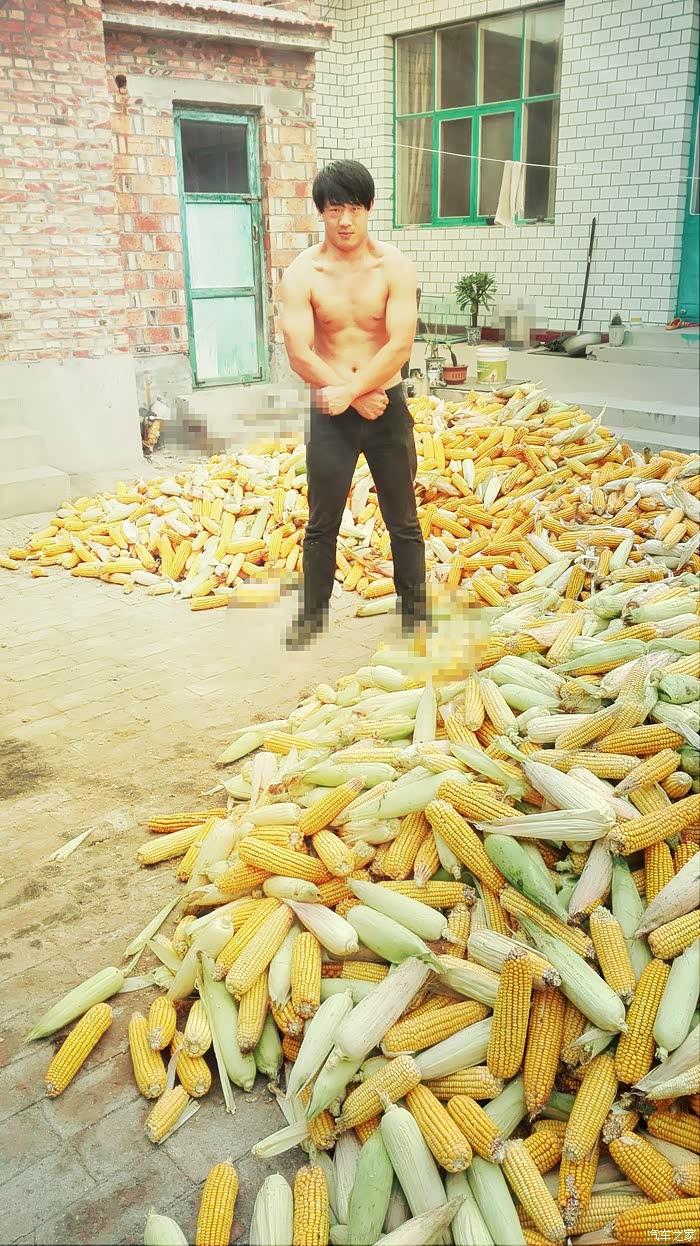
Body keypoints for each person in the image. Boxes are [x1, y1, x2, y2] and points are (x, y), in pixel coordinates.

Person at [279, 159, 426, 649]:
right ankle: (312, 616)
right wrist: (351, 395)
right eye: (334, 209)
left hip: (388, 410)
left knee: (403, 520)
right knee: (322, 523)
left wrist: (355, 392)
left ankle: (415, 615)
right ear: (321, 211)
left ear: (370, 209)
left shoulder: (395, 267)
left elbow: (400, 346)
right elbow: (299, 353)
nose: (345, 220)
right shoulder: (303, 273)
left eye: (355, 209)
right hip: (332, 413)